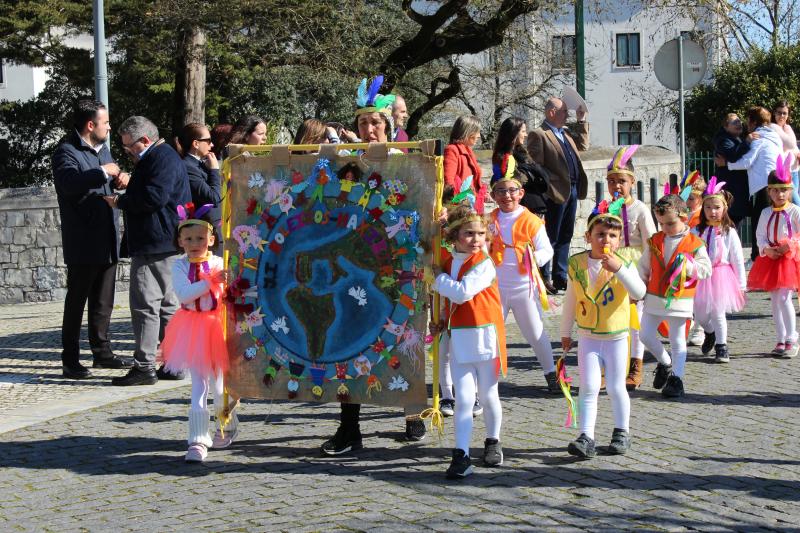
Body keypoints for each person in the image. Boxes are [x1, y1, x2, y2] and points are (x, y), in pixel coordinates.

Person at [320, 76, 425, 455]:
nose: (369, 128)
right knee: (350, 346)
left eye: (376, 122)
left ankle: (413, 413)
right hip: (355, 269)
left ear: (389, 126)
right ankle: (350, 428)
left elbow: (420, 207)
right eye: (363, 123)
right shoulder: (345, 164)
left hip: (398, 266)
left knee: (405, 338)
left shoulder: (407, 162)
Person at [104, 116, 192, 386]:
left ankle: (144, 366)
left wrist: (119, 201)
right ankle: (176, 363)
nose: (128, 151)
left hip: (156, 242)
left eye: (129, 146)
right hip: (165, 242)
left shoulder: (160, 158)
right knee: (168, 306)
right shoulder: (161, 157)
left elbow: (154, 197)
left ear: (144, 140)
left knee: (146, 306)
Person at [52, 99, 132, 379]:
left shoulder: (103, 150)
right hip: (84, 241)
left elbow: (107, 179)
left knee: (103, 301)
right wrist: (102, 172)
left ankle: (102, 353)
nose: (109, 127)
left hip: (107, 235)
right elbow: (70, 184)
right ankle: (70, 360)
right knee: (77, 302)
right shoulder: (66, 152)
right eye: (106, 123)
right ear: (90, 125)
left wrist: (119, 177)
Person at [560, 199, 646, 458]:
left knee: (616, 387)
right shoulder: (576, 264)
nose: (605, 240)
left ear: (619, 240)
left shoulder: (624, 262)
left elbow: (639, 292)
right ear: (588, 237)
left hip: (617, 336)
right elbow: (570, 299)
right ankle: (586, 436)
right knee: (588, 387)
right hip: (588, 335)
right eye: (599, 234)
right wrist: (566, 332)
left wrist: (619, 270)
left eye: (611, 235)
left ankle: (622, 431)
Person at [431, 203, 506, 478]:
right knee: (463, 399)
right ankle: (461, 454)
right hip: (459, 337)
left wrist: (436, 279)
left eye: (480, 234)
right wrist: (440, 317)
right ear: (455, 237)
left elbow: (462, 293)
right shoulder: (450, 261)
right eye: (468, 234)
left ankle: (493, 441)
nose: (475, 240)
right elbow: (449, 297)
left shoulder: (484, 264)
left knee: (487, 395)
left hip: (484, 336)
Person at [160, 204, 235, 462]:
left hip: (217, 326)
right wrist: (211, 281)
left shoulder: (218, 263)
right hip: (192, 328)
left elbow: (229, 293)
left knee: (220, 383)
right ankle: (198, 439)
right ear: (180, 240)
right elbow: (184, 294)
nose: (195, 243)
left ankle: (224, 422)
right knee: (199, 384)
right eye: (189, 238)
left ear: (211, 239)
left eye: (201, 238)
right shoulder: (179, 266)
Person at [487, 156, 559, 393]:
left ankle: (552, 374)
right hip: (497, 287)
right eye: (500, 191)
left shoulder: (531, 220)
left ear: (520, 193)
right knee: (491, 333)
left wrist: (533, 260)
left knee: (535, 332)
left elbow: (547, 249)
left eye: (511, 191)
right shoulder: (490, 220)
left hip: (523, 287)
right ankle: (487, 378)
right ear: (493, 195)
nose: (506, 196)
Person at [638, 194, 711, 398]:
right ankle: (665, 362)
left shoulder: (694, 243)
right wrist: (638, 287)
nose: (665, 228)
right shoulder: (655, 240)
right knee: (644, 334)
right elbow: (643, 267)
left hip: (680, 298)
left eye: (670, 223)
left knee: (678, 340)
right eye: (661, 224)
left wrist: (688, 266)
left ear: (684, 217)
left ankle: (677, 378)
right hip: (654, 296)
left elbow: (706, 269)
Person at [602, 146, 657, 390]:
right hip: (610, 266)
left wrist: (648, 272)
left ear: (632, 182)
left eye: (621, 181)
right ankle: (613, 366)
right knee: (612, 317)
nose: (616, 186)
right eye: (611, 181)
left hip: (635, 267)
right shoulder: (605, 208)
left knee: (635, 321)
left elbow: (651, 242)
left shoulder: (640, 209)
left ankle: (636, 364)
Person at [527, 97, 589, 294]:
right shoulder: (539, 134)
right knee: (550, 236)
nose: (567, 115)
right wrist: (549, 185)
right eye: (564, 112)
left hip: (571, 188)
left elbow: (583, 145)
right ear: (551, 113)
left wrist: (581, 121)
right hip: (555, 191)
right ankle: (544, 276)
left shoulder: (565, 133)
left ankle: (560, 276)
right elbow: (536, 166)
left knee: (565, 234)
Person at [747, 154, 800, 358]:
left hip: (788, 259)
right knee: (775, 300)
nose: (780, 194)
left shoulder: (795, 211)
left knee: (785, 298)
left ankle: (791, 338)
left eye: (784, 190)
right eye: (776, 190)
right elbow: (760, 235)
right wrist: (766, 249)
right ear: (769, 191)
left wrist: (790, 246)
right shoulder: (765, 213)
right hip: (771, 259)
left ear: (790, 191)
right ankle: (780, 338)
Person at [716, 107, 782, 261]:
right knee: (770, 222)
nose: (744, 124)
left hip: (764, 186)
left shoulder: (758, 137)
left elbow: (747, 161)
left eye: (745, 120)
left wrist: (726, 163)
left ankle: (757, 258)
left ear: (753, 122)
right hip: (776, 183)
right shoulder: (774, 135)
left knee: (759, 223)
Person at [691, 181, 746, 364]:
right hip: (700, 276)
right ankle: (709, 332)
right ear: (702, 208)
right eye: (708, 207)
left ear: (724, 208)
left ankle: (722, 346)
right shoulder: (696, 231)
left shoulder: (728, 231)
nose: (712, 211)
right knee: (699, 314)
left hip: (721, 276)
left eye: (716, 207)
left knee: (718, 312)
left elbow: (737, 258)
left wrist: (741, 283)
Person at [176, 123, 222, 254]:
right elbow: (213, 198)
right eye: (208, 141)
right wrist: (214, 170)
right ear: (196, 144)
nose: (212, 145)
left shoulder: (200, 164)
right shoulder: (189, 167)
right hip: (202, 233)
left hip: (212, 229)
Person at [493, 117, 549, 218]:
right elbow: (516, 181)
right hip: (521, 207)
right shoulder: (504, 157)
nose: (526, 134)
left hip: (536, 205)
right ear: (514, 133)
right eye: (523, 131)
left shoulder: (522, 153)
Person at [713, 114, 751, 228]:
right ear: (725, 126)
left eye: (739, 121)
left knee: (734, 223)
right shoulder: (723, 140)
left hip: (737, 190)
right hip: (731, 190)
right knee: (730, 224)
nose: (739, 124)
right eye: (735, 122)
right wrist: (747, 142)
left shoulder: (734, 138)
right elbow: (733, 155)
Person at [443, 115, 486, 214]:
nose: (479, 136)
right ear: (468, 132)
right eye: (477, 131)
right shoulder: (452, 150)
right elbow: (449, 184)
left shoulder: (468, 151)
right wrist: (456, 205)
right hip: (461, 209)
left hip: (471, 206)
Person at [768, 100, 800, 205]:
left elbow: (793, 148)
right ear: (774, 113)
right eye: (779, 112)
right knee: (796, 203)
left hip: (795, 170)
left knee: (792, 204)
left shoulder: (786, 128)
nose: (782, 115)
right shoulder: (773, 127)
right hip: (783, 173)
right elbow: (790, 144)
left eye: (784, 113)